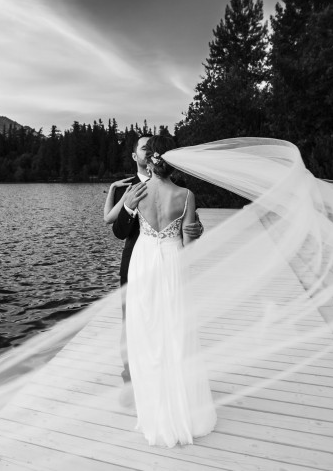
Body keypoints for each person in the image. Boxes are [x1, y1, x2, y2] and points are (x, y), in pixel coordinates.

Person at [124, 135, 217, 446]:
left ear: (151, 161)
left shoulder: (137, 192)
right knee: (176, 330)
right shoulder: (186, 195)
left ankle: (153, 411)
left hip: (143, 262)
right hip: (173, 262)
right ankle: (183, 409)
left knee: (147, 333)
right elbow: (189, 244)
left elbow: (120, 223)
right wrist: (196, 232)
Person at [104, 135, 203, 382]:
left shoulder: (178, 186)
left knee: (167, 320)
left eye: (150, 149)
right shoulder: (129, 188)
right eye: (143, 148)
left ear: (151, 159)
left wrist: (197, 228)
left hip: (158, 260)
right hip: (138, 263)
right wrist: (126, 206)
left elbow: (190, 225)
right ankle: (131, 375)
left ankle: (159, 376)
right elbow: (117, 229)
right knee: (133, 321)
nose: (147, 152)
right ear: (136, 156)